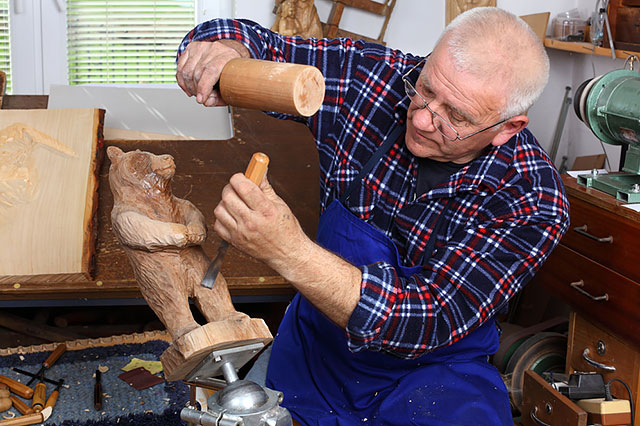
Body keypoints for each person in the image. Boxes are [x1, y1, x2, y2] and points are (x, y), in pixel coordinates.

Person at [175, 7, 569, 425]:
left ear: (508, 127)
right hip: (316, 354)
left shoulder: (532, 200)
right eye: (425, 88)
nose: (420, 118)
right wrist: (225, 52)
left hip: (434, 376)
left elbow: (426, 320)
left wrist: (287, 251)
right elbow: (244, 39)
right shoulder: (373, 80)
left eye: (455, 117)